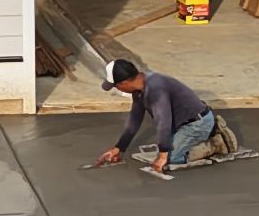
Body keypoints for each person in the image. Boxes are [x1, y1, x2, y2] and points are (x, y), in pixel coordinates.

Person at [96, 56, 239, 179]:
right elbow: (135, 118)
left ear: (124, 83)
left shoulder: (155, 89)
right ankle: (206, 132)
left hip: (196, 123)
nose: (117, 89)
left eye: (115, 86)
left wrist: (164, 155)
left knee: (172, 158)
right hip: (183, 123)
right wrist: (119, 148)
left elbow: (163, 121)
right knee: (165, 148)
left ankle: (217, 143)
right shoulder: (140, 88)